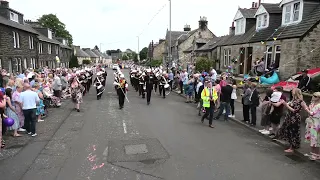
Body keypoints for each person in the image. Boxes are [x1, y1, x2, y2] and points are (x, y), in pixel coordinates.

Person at [277, 88, 303, 153]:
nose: (291, 92)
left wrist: (286, 104)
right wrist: (285, 103)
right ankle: (292, 145)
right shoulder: (293, 100)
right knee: (288, 130)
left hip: (294, 118)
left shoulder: (299, 101)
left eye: (293, 91)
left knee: (293, 132)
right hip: (289, 117)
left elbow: (295, 110)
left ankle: (292, 147)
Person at [304, 92, 320, 160]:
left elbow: (312, 113)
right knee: (311, 137)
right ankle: (313, 153)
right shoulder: (312, 104)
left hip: (316, 123)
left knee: (315, 138)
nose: (313, 97)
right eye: (313, 95)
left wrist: (306, 108)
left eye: (315, 96)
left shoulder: (319, 105)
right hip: (311, 122)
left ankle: (316, 154)